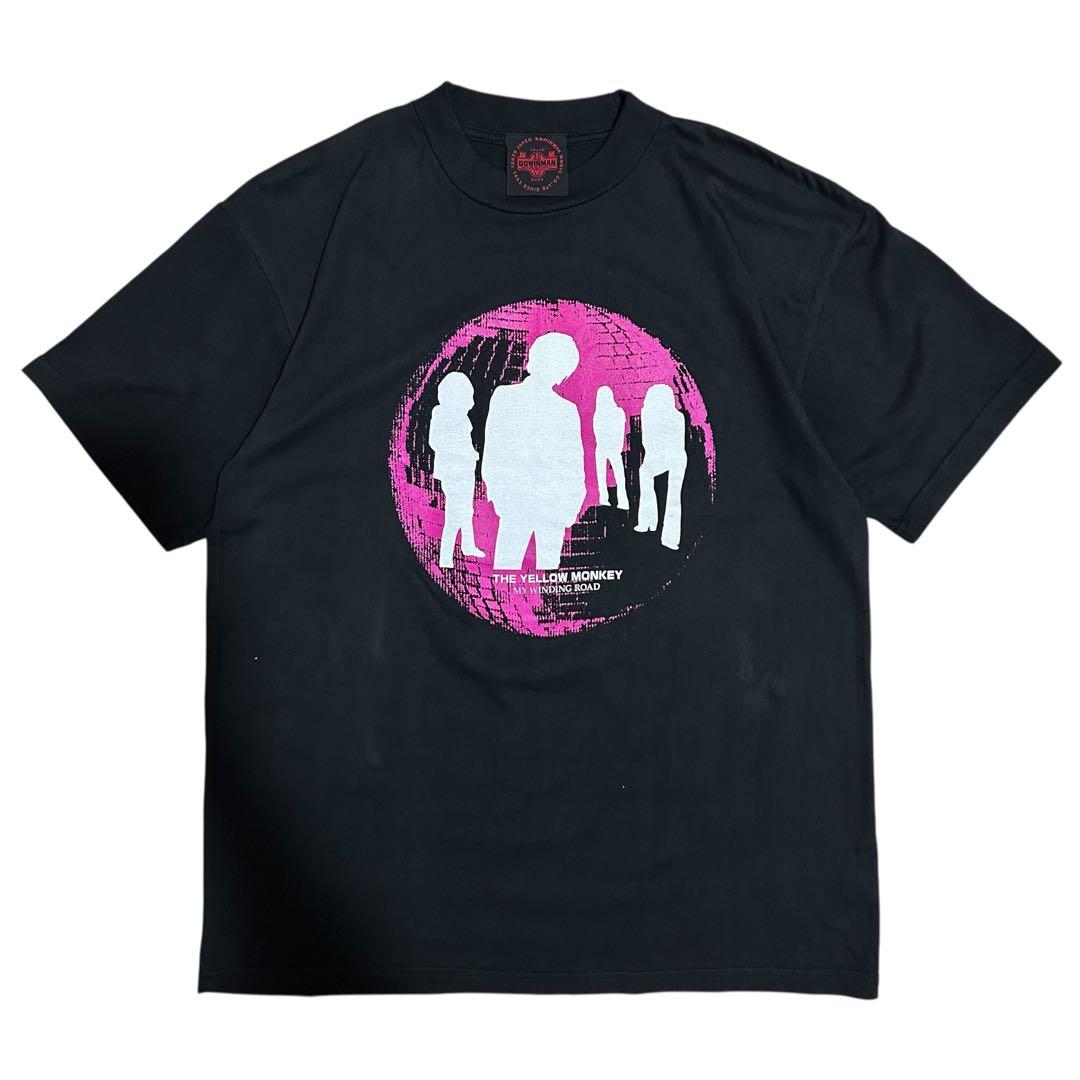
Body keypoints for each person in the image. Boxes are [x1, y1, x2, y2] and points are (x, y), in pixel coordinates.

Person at [482, 332, 585, 570]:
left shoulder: (566, 410)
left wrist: (569, 507)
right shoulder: (506, 397)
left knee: (542, 571)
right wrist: (499, 495)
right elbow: (494, 449)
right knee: (510, 568)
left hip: (550, 504)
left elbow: (573, 462)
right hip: (521, 501)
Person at [428, 371, 485, 568]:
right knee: (454, 514)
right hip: (453, 471)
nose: (470, 401)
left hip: (465, 469)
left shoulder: (462, 416)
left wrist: (470, 453)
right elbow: (436, 441)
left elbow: (464, 441)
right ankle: (445, 557)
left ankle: (468, 545)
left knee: (466, 509)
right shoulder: (441, 413)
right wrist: (463, 453)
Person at [635, 383, 687, 550]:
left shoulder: (675, 417)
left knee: (673, 495)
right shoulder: (651, 414)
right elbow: (647, 443)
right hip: (661, 455)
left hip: (675, 456)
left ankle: (665, 534)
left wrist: (658, 457)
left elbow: (676, 446)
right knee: (645, 473)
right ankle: (649, 523)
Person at [592, 385, 629, 510]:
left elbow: (596, 432)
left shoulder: (598, 413)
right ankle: (622, 501)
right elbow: (621, 431)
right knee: (619, 475)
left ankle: (604, 498)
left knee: (602, 474)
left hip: (602, 447)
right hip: (612, 447)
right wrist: (618, 446)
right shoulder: (618, 412)